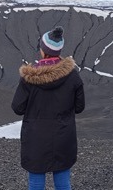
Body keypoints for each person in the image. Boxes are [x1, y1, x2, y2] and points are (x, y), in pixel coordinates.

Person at [11, 26, 85, 190]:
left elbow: (17, 107)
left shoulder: (29, 77)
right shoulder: (73, 76)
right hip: (64, 135)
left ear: (43, 51)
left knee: (36, 182)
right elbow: (80, 107)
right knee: (63, 182)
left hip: (36, 138)